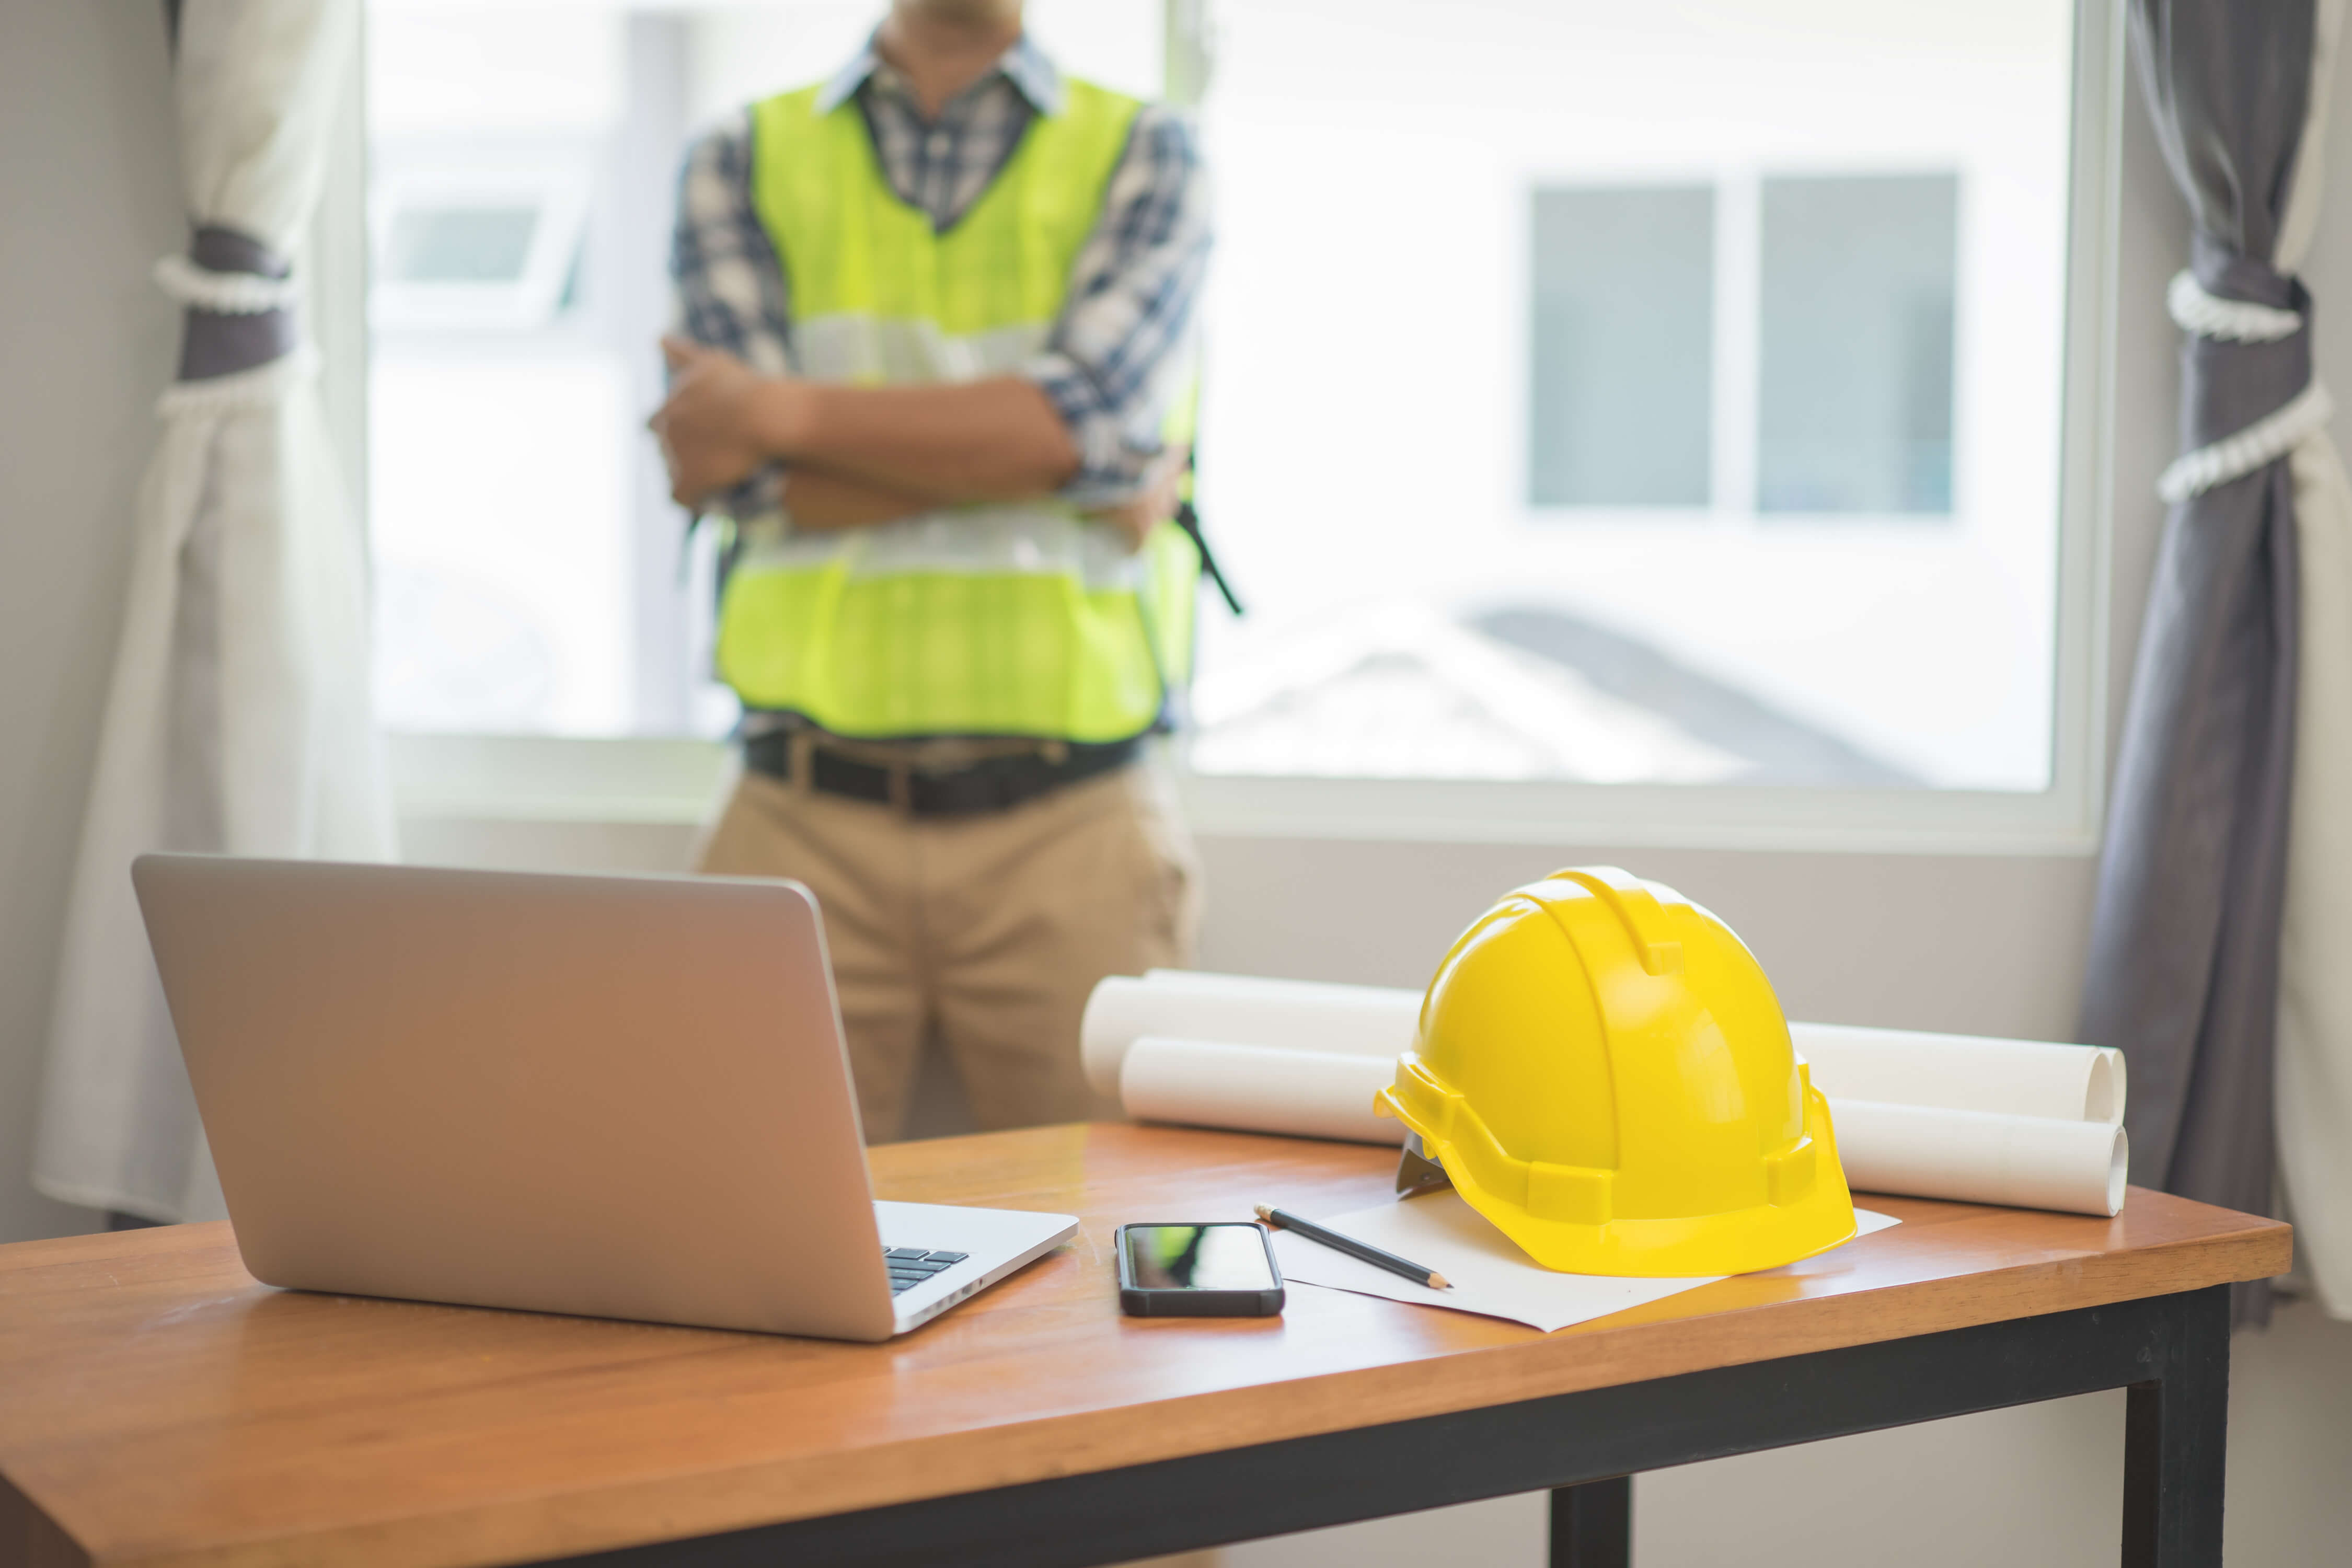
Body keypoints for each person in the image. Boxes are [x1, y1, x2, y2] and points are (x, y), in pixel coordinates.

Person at [652, 0, 1210, 1141]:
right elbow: (734, 472)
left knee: (1112, 1263)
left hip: (1076, 831)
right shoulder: (742, 154)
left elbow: (1086, 420)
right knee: (744, 1254)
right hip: (795, 826)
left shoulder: (1145, 148)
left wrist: (788, 411)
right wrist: (1054, 457)